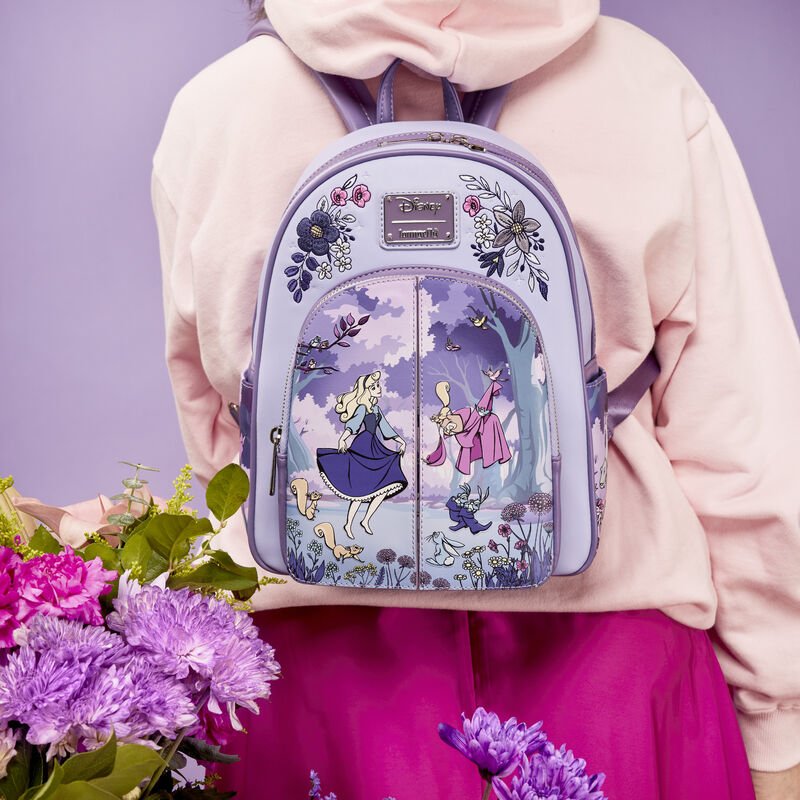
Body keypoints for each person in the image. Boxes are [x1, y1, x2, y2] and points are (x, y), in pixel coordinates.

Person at [151, 1, 800, 797]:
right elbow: (741, 432)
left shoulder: (219, 107)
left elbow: (219, 439)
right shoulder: (647, 85)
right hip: (614, 665)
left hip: (319, 676)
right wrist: (778, 719)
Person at [316, 370, 408, 538]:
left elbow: (386, 428)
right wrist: (342, 439)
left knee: (382, 489)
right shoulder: (362, 408)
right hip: (363, 446)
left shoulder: (376, 409)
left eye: (378, 385)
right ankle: (348, 524)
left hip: (375, 447)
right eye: (373, 387)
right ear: (366, 390)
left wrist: (401, 441)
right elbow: (353, 425)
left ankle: (365, 520)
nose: (378, 389)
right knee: (359, 489)